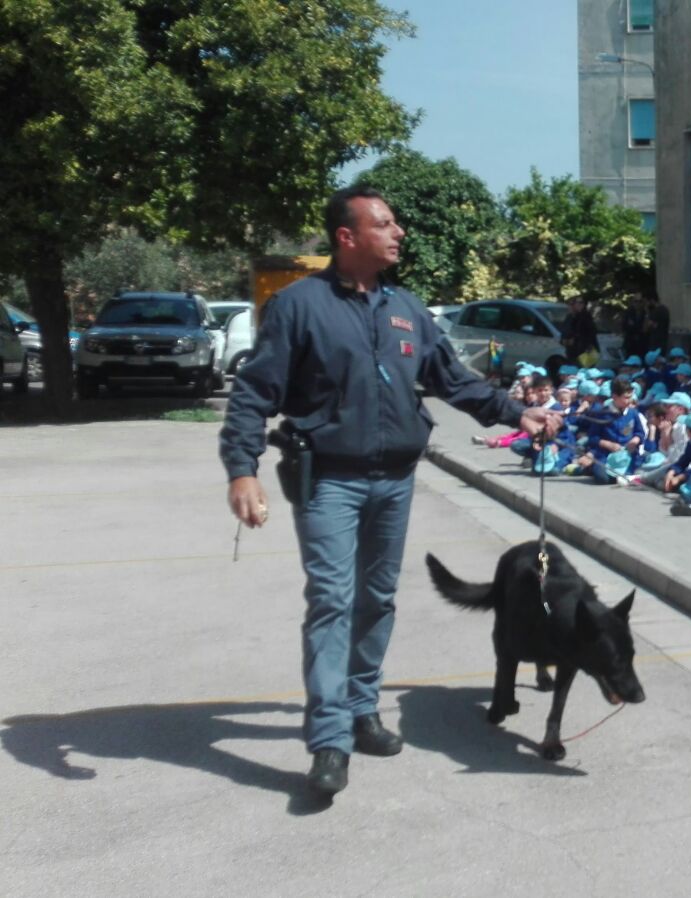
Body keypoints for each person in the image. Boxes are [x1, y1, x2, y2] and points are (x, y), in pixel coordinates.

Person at [220, 185, 562, 795]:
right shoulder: (299, 306)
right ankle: (329, 741)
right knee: (331, 601)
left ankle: (361, 709)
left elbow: (452, 380)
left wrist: (518, 414)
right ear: (347, 237)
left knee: (377, 599)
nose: (398, 231)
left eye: (395, 222)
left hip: (395, 480)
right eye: (384, 223)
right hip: (327, 479)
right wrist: (241, 469)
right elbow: (254, 392)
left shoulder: (406, 308)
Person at [561, 295, 600, 367]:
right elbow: (564, 332)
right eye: (576, 303)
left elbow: (590, 333)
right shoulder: (569, 317)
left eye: (581, 303)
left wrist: (575, 339)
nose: (578, 305)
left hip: (584, 352)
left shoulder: (585, 317)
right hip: (571, 351)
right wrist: (564, 340)